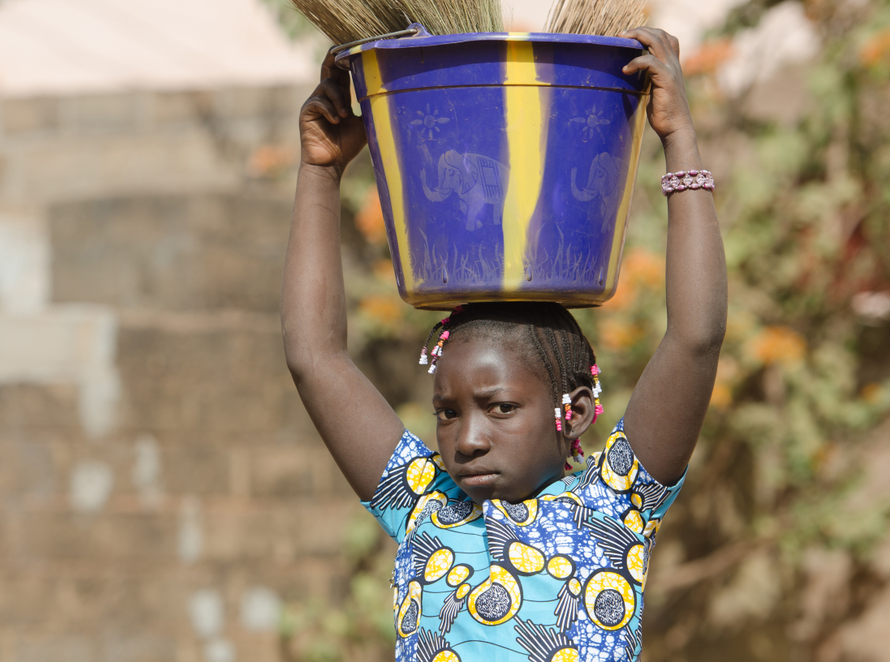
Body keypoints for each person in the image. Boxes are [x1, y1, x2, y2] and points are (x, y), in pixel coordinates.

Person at [281, 26, 726, 662]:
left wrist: (679, 137)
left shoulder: (616, 506)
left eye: (500, 407)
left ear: (570, 413)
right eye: (447, 411)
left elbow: (695, 338)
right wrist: (320, 173)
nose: (467, 439)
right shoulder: (423, 507)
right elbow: (313, 358)